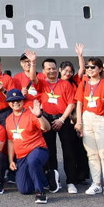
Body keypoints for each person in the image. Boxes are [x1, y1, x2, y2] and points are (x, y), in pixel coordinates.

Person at [74, 58, 104, 197]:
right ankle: (96, 184)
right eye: (88, 66)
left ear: (100, 69)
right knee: (92, 154)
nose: (90, 69)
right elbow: (79, 103)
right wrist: (79, 122)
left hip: (101, 119)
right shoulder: (84, 84)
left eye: (93, 67)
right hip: (87, 119)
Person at [6, 89, 51, 204]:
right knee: (24, 189)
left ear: (23, 101)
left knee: (32, 162)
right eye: (12, 101)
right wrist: (11, 159)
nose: (16, 103)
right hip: (21, 156)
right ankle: (47, 178)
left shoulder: (31, 114)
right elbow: (11, 141)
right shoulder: (8, 120)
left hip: (37, 149)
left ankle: (41, 193)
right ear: (8, 103)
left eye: (18, 100)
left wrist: (40, 116)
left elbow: (47, 128)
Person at [39, 58, 77, 194]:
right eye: (48, 68)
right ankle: (54, 180)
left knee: (68, 151)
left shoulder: (65, 84)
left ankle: (71, 181)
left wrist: (62, 119)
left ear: (58, 70)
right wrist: (32, 63)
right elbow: (32, 78)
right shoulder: (41, 83)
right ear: (43, 71)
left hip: (63, 119)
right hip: (47, 119)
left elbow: (71, 103)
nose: (52, 71)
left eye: (54, 68)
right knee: (50, 152)